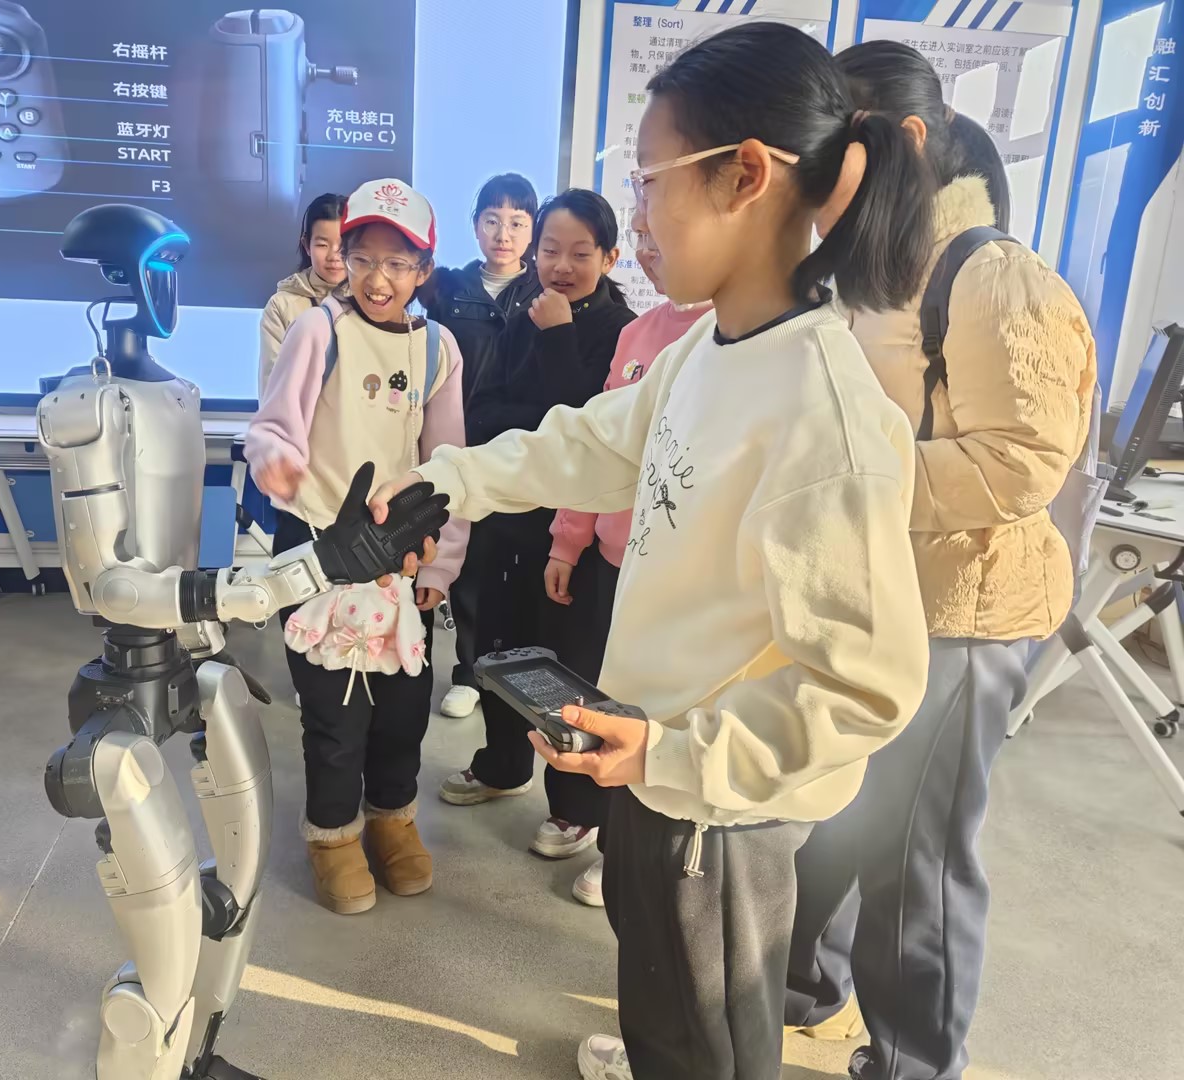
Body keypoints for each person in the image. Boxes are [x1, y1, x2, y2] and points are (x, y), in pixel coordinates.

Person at [371, 23, 937, 1078]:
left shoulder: (825, 415)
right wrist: (450, 480)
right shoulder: (708, 348)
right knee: (663, 1020)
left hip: (717, 819)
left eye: (649, 182)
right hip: (649, 767)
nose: (634, 218)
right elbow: (599, 445)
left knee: (708, 1045)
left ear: (746, 175)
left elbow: (866, 687)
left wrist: (672, 758)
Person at [784, 42, 1097, 1080]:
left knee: (917, 857)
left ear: (904, 140)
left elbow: (1018, 464)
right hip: (879, 596)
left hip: (965, 616)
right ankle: (805, 986)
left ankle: (915, 1063)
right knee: (838, 813)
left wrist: (845, 481)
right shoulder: (883, 271)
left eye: (827, 154)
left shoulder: (995, 276)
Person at [246, 178, 469, 916]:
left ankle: (392, 820)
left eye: (398, 263)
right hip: (320, 551)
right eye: (364, 258)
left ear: (424, 270)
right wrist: (277, 461)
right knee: (335, 715)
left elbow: (450, 465)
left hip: (400, 561)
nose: (378, 278)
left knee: (404, 709)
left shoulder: (438, 348)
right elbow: (274, 423)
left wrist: (442, 562)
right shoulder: (319, 329)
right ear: (342, 257)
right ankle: (333, 835)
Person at [436, 188, 636, 863]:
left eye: (580, 253)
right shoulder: (526, 307)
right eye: (551, 250)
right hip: (508, 517)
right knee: (498, 651)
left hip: (570, 533)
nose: (562, 265)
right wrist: (525, 431)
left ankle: (575, 808)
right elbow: (487, 407)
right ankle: (502, 765)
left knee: (563, 668)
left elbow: (589, 433)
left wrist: (557, 337)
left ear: (609, 257)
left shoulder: (619, 329)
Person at [544, 217, 711, 907]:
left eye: (660, 231)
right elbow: (600, 447)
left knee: (648, 717)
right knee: (588, 695)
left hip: (678, 577)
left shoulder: (730, 340)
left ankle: (620, 851)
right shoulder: (638, 333)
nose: (650, 249)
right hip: (612, 561)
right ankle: (579, 814)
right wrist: (568, 539)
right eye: (643, 235)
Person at [426, 173, 543, 719]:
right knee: (464, 561)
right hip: (458, 448)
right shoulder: (448, 291)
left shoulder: (545, 293)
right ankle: (462, 670)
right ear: (475, 226)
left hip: (522, 451)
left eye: (517, 222)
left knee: (512, 565)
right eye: (492, 220)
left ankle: (499, 669)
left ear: (532, 229)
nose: (504, 233)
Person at [258, 193, 349, 397]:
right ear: (307, 245)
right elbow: (272, 389)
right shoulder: (281, 306)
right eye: (322, 245)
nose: (334, 256)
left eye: (343, 246)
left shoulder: (371, 302)